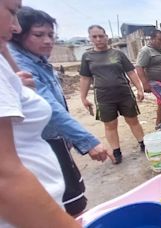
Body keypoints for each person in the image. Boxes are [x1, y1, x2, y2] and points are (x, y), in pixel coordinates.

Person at [9, 6, 109, 216]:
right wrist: (88, 141)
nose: (47, 40)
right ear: (18, 34)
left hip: (54, 139)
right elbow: (51, 109)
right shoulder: (20, 65)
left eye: (50, 35)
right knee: (68, 204)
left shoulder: (38, 61)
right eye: (38, 35)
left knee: (67, 199)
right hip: (44, 142)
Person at [0, 0, 79, 226]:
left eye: (50, 35)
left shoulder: (21, 63)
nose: (15, 27)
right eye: (12, 12)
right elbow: (5, 178)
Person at [80, 25, 145, 164]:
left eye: (101, 36)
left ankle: (143, 144)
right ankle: (116, 151)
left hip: (124, 93)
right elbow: (85, 78)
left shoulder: (118, 54)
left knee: (133, 120)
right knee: (110, 125)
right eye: (94, 37)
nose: (98, 39)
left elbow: (131, 72)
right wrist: (83, 97)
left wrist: (139, 88)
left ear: (106, 37)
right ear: (90, 38)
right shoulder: (87, 57)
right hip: (104, 97)